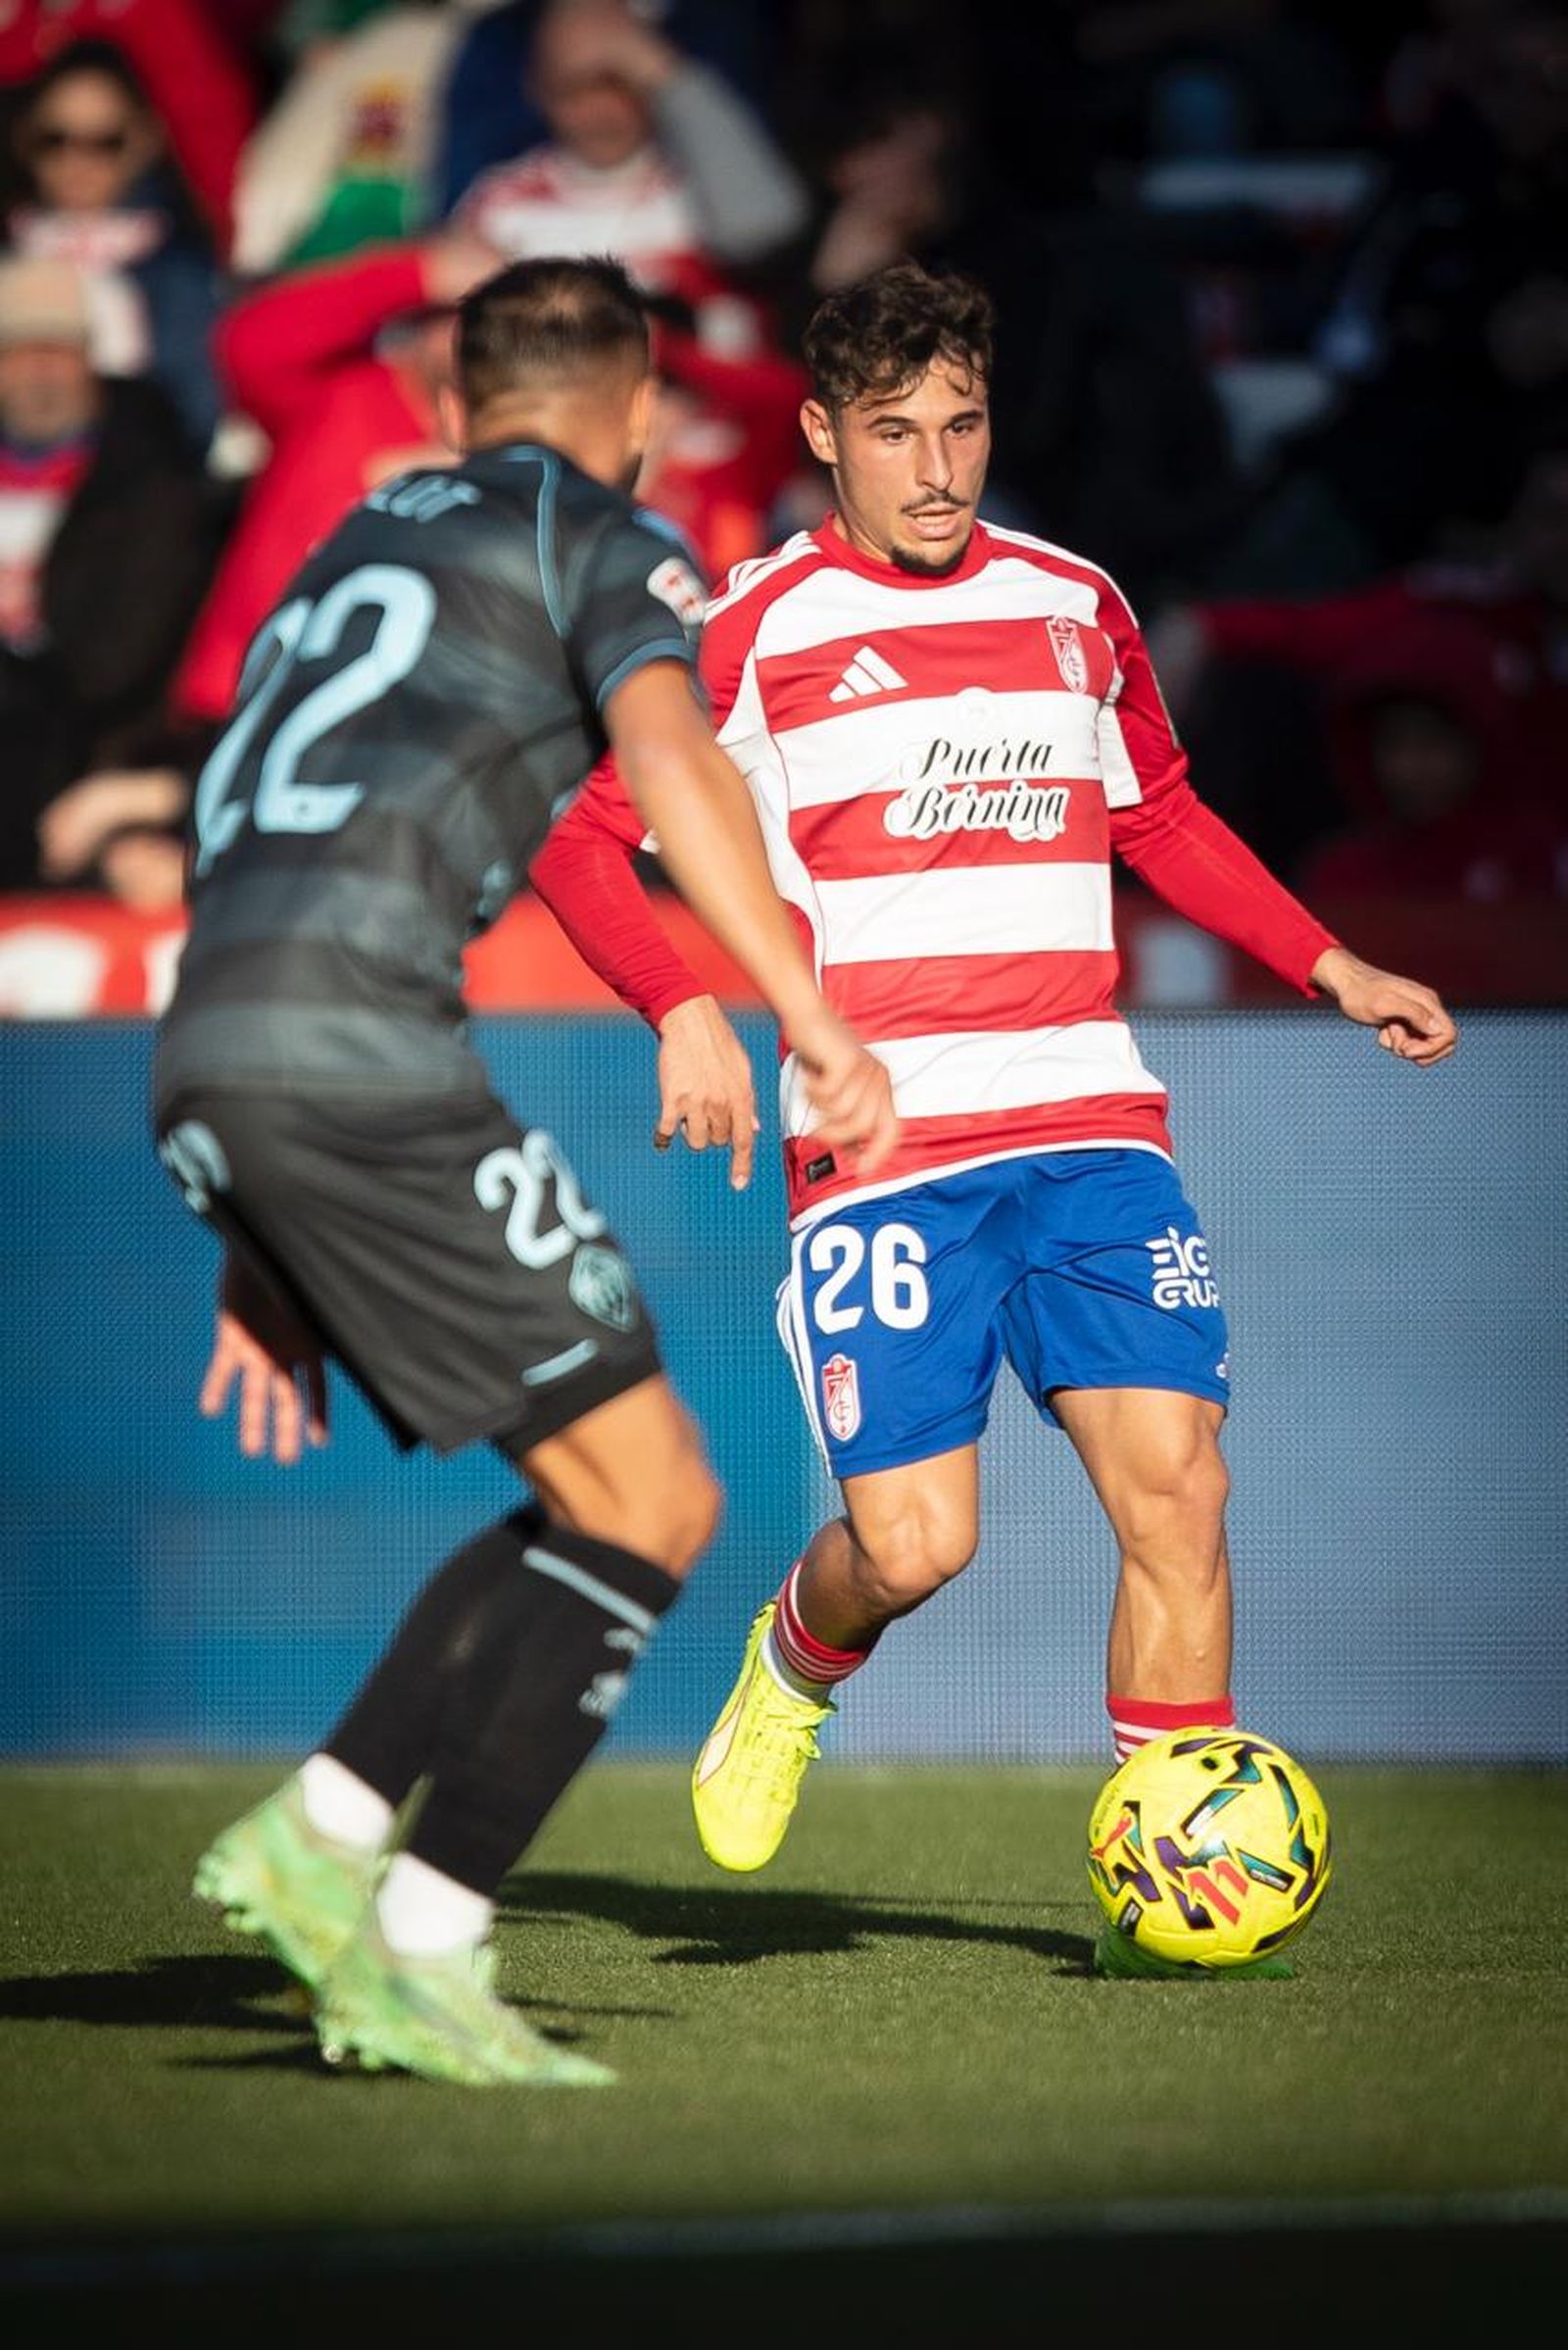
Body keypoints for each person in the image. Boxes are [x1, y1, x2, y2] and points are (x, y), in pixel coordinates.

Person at [527, 259, 1458, 1978]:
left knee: (1178, 1487)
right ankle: (797, 1665)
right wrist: (682, 1012)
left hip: (1090, 1117)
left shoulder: (1074, 599)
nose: (937, 465)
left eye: (960, 424)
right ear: (822, 435)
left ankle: (1164, 1883)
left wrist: (1334, 963)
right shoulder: (749, 627)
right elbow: (580, 841)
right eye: (895, 433)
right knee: (917, 1541)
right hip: (883, 1142)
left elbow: (1160, 816)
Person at [154, 253, 897, 2086]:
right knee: (659, 1501)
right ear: (638, 413)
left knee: (595, 1477)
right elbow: (675, 762)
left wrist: (261, 1232)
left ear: (443, 400)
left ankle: (326, 1829)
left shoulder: (335, 558)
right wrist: (801, 1008)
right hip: (363, 1053)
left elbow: (246, 837)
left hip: (213, 1053)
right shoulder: (596, 533)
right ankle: (423, 1936)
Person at [0, 251, 217, 896]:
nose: (40, 372)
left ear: (91, 359)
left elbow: (117, 669)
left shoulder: (152, 486)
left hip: (96, 770)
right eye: (16, 351)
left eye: (59, 350)